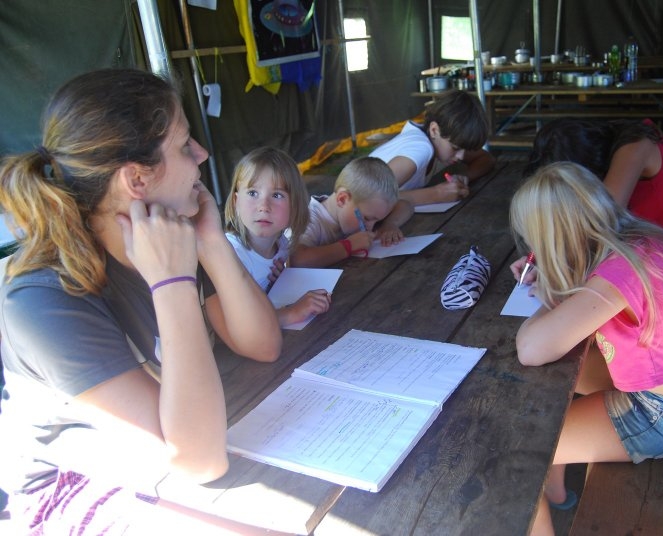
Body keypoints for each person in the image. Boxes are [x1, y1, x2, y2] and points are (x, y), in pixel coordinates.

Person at [0, 68, 284, 535]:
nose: (202, 154)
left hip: (176, 454)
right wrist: (172, 281)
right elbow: (197, 460)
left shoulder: (170, 231)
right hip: (72, 489)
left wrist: (212, 243)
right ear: (136, 178)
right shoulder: (45, 301)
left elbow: (262, 344)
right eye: (185, 145)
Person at [509, 162, 663, 536]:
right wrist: (559, 274)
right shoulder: (634, 244)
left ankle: (546, 488)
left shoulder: (618, 275)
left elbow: (530, 347)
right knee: (554, 379)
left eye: (536, 244)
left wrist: (551, 291)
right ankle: (556, 493)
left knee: (527, 449)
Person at [526, 118, 663, 265]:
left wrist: (548, 260)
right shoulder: (622, 137)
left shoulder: (635, 147)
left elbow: (599, 224)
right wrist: (541, 256)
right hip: (654, 248)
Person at [224, 146, 331, 327]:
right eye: (252, 193)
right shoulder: (232, 254)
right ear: (236, 202)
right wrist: (291, 313)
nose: (264, 206)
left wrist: (279, 284)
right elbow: (236, 323)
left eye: (277, 195)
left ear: (294, 206)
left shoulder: (282, 245)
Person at [369, 89, 496, 206]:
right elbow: (371, 198)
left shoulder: (440, 142)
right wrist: (437, 194)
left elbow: (486, 158)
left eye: (464, 149)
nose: (461, 156)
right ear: (434, 130)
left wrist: (464, 177)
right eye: (455, 148)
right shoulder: (421, 147)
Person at [291, 156, 414, 268]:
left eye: (377, 220)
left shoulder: (361, 209)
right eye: (367, 218)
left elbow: (405, 205)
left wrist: (389, 224)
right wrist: (348, 246)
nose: (370, 227)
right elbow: (297, 259)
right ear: (342, 199)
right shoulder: (308, 220)